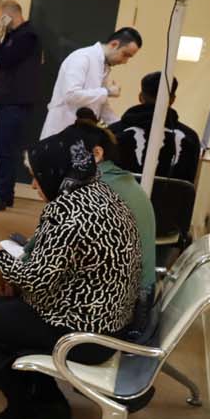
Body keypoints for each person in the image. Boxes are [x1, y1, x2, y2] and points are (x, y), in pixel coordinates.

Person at [0, 132, 141, 419]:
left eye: (36, 176)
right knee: (3, 304)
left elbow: (35, 280)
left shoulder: (67, 211)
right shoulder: (100, 191)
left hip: (84, 334)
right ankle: (49, 400)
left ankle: (21, 415)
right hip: (110, 321)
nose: (33, 184)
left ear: (55, 172)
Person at [66, 109, 157, 305]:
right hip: (136, 295)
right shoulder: (123, 181)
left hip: (114, 303)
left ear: (97, 154)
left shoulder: (93, 188)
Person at [0, 1, 40, 212]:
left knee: (7, 151)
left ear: (8, 16)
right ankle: (3, 194)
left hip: (15, 102)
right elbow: (12, 71)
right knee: (5, 150)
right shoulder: (15, 36)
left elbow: (5, 60)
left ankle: (2, 196)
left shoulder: (27, 36)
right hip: (8, 99)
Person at [40, 26, 142, 138]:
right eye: (125, 55)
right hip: (61, 128)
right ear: (114, 44)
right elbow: (71, 95)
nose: (125, 61)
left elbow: (100, 103)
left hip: (80, 132)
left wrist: (121, 126)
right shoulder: (82, 57)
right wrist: (107, 92)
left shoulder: (103, 65)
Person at [108, 71, 201, 183]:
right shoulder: (190, 139)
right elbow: (188, 184)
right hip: (168, 195)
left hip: (120, 194)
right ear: (172, 99)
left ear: (140, 97)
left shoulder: (112, 133)